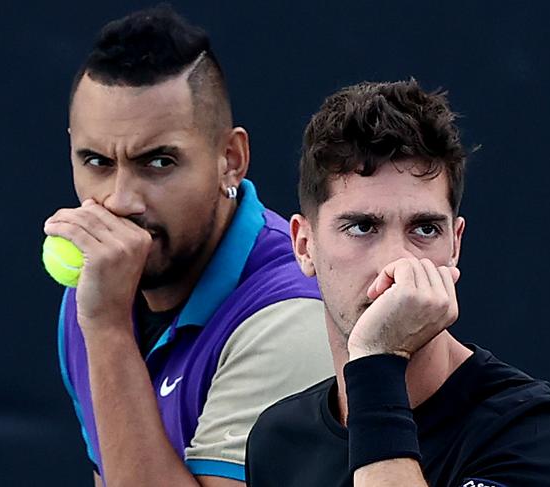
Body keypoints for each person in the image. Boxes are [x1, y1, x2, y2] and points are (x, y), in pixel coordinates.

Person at [245, 79, 550, 487]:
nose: (396, 261)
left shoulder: (535, 434)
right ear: (304, 246)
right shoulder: (278, 441)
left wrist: (377, 362)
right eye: (361, 227)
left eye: (425, 229)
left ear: (456, 245)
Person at [44, 5, 333, 486]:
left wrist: (108, 331)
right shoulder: (96, 293)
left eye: (158, 162)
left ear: (230, 160)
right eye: (95, 161)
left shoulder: (295, 315)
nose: (120, 200)